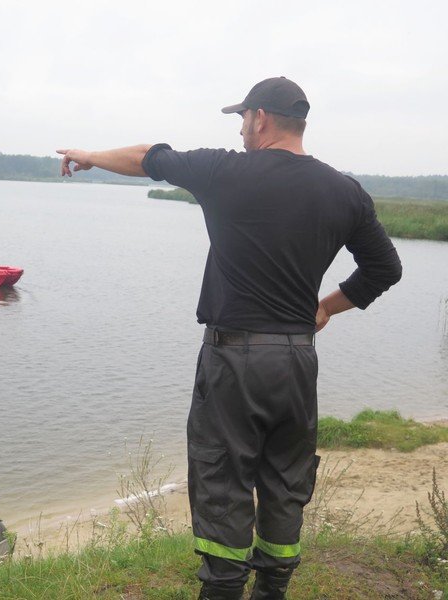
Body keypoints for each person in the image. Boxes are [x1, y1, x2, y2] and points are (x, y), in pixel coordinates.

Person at [58, 77, 402, 600]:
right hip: (296, 362)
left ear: (260, 118)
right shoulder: (344, 190)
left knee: (223, 477)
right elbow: (385, 268)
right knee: (286, 479)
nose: (240, 130)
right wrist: (325, 308)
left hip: (234, 359)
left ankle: (221, 588)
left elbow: (149, 156)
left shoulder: (224, 172)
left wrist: (89, 155)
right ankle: (272, 589)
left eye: (242, 119)